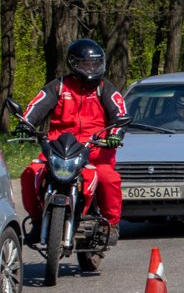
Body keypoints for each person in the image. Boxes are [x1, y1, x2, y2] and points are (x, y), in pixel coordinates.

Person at [20, 38, 127, 248]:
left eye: (95, 64)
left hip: (95, 149)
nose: (92, 68)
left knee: (107, 177)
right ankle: (37, 219)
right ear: (73, 63)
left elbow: (120, 114)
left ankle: (110, 225)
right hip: (58, 148)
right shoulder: (58, 86)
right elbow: (36, 106)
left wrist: (114, 135)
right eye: (86, 64)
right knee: (30, 173)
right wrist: (25, 124)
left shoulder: (105, 89)